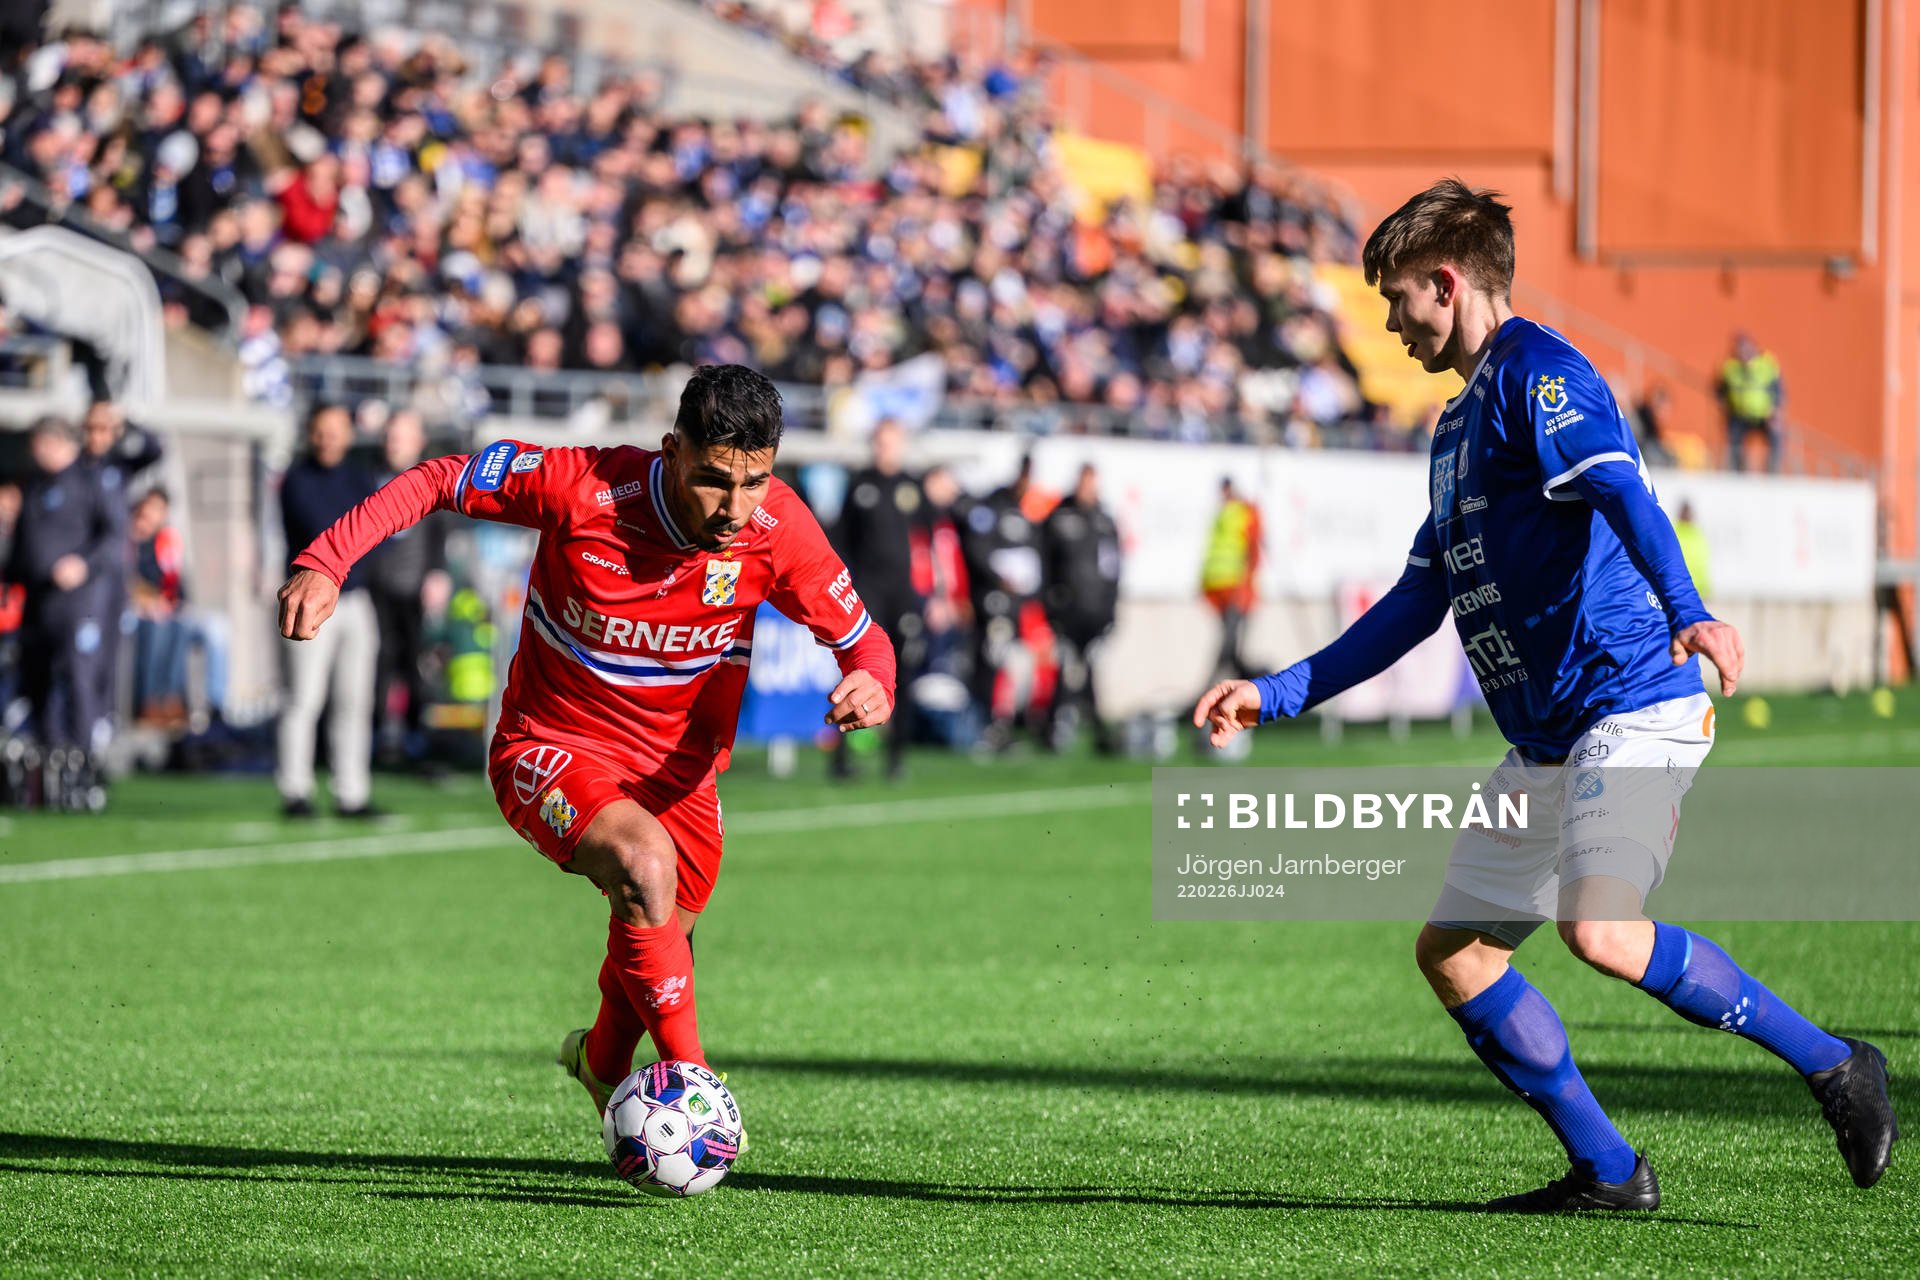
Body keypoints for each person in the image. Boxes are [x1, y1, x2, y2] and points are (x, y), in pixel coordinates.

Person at [1193, 180, 1895, 1211]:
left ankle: (1836, 1063)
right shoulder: (1451, 430)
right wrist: (1281, 690)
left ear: (1447, 282)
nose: (1389, 324)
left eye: (1397, 300)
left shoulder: (1543, 375)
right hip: (1549, 741)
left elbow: (1620, 490)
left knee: (1599, 927)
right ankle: (1609, 1170)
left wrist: (1690, 608)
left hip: (1632, 702)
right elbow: (1415, 602)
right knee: (1457, 954)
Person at [276, 364, 895, 1120]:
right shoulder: (583, 486)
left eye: (755, 482)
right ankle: (695, 1095)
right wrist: (326, 559)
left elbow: (866, 641)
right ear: (671, 450)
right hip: (549, 745)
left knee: (659, 933)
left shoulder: (779, 528)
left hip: (681, 778)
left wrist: (872, 681)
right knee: (642, 865)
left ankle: (601, 1066)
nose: (735, 508)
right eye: (713, 480)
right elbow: (439, 479)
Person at [2, 417, 119, 786]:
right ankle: (50, 767)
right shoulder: (35, 485)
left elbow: (114, 538)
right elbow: (23, 546)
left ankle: (83, 765)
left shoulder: (90, 479)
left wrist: (83, 563)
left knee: (78, 679)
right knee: (37, 680)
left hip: (78, 603)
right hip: (37, 601)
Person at [277, 403, 381, 817]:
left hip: (355, 599)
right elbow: (321, 525)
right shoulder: (297, 478)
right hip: (311, 599)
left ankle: (351, 792)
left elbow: (380, 534)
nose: (328, 439)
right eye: (321, 431)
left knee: (354, 700)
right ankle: (295, 790)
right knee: (303, 697)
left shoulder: (359, 476)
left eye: (335, 431)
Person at [828, 419, 924, 780]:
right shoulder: (859, 484)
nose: (885, 449)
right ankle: (842, 759)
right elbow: (838, 540)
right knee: (856, 671)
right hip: (867, 595)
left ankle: (896, 756)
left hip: (903, 595)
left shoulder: (911, 486)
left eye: (891, 442)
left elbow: (933, 539)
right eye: (880, 442)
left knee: (905, 671)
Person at [365, 409, 450, 768]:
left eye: (401, 436)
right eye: (390, 435)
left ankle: (417, 742)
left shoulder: (430, 482)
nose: (393, 442)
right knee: (375, 663)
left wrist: (436, 573)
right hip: (375, 588)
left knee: (415, 664)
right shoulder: (369, 478)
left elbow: (438, 535)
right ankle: (374, 739)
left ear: (419, 442)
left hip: (412, 589)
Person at [81, 399, 164, 744]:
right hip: (85, 575)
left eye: (105, 429)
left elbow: (155, 448)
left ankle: (103, 719)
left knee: (111, 652)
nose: (98, 436)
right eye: (93, 428)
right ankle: (81, 724)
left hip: (115, 574)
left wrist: (125, 420)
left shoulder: (117, 467)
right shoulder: (76, 468)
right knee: (83, 653)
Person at [128, 487, 230, 727]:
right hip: (137, 610)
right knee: (160, 624)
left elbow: (177, 586)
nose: (152, 515)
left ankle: (201, 704)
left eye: (159, 510)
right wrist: (150, 601)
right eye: (149, 508)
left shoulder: (166, 541)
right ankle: (151, 701)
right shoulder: (128, 540)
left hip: (167, 609)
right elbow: (127, 582)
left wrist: (176, 604)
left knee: (207, 626)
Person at [1040, 463, 1121, 753]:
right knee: (1064, 670)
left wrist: (1111, 610)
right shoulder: (1060, 517)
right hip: (1066, 611)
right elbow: (1046, 563)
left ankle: (1096, 730)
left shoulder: (1104, 520)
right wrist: (1050, 604)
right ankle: (1053, 731)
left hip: (1095, 611)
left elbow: (1113, 570)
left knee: (1090, 671)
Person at [1200, 477, 1262, 679]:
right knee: (1231, 645)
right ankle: (1242, 684)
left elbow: (1251, 551)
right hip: (1222, 586)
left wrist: (1245, 584)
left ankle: (1211, 686)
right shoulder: (1224, 513)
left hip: (1236, 586)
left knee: (1229, 642)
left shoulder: (1243, 512)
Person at [1717, 332, 1783, 473]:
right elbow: (1720, 389)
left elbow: (1778, 389)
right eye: (1739, 348)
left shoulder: (1766, 364)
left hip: (1763, 415)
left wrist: (1776, 410)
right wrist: (1723, 404)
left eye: (1745, 347)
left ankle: (1773, 472)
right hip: (1739, 415)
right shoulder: (1730, 367)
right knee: (1734, 438)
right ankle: (1738, 472)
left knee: (1776, 435)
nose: (1743, 352)